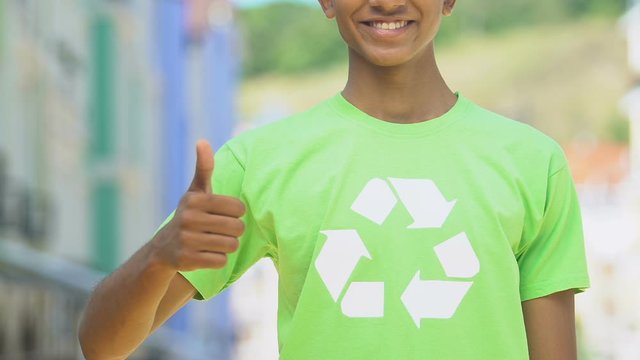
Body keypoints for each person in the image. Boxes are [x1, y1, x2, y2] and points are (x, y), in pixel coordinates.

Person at [78, 0, 590, 358]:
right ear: (324, 0)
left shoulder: (531, 162)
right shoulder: (261, 160)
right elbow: (101, 345)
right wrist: (160, 253)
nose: (387, 1)